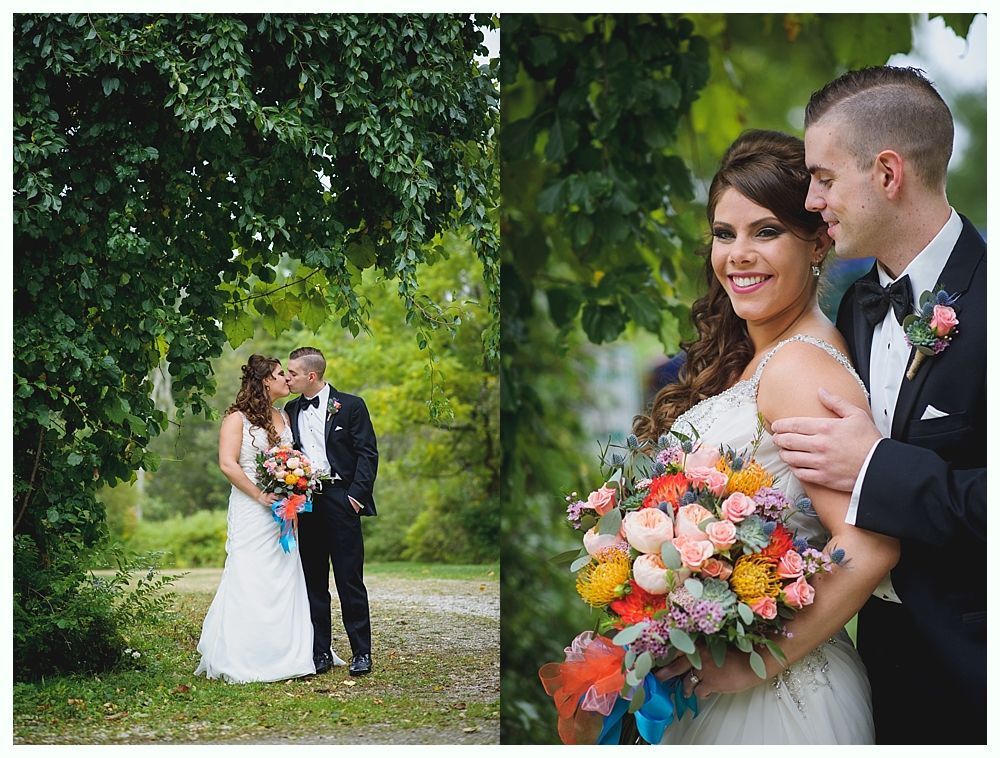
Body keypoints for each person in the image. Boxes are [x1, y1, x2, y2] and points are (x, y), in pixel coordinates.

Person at [634, 130, 900, 744]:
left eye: (766, 232)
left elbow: (868, 547)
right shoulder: (754, 358)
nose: (738, 255)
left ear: (816, 243)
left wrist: (755, 662)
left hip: (780, 698)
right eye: (725, 234)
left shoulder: (801, 368)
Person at [770, 66, 986, 744]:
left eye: (824, 179)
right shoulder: (858, 307)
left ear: (888, 173)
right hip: (876, 671)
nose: (811, 200)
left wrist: (877, 466)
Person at [195, 355, 345, 683]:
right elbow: (228, 464)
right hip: (252, 508)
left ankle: (292, 650)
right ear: (266, 381)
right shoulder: (237, 418)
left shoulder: (284, 416)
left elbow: (294, 459)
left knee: (286, 573)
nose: (287, 380)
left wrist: (296, 486)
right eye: (281, 374)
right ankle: (247, 653)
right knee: (251, 572)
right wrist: (260, 495)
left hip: (285, 510)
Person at [285, 346, 379, 677]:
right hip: (307, 502)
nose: (287, 377)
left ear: (311, 376)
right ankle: (320, 652)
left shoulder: (351, 406)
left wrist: (355, 496)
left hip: (341, 499)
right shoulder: (290, 408)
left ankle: (361, 653)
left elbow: (368, 453)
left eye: (292, 373)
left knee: (349, 578)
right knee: (313, 580)